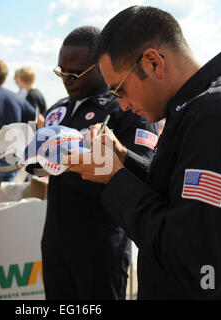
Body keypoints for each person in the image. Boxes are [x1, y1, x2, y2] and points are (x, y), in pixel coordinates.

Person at [65, 6, 221, 300]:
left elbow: (195, 264)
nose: (122, 105)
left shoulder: (219, 116)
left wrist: (114, 178)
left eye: (119, 90)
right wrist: (123, 159)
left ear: (154, 62)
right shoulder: (197, 107)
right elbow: (178, 201)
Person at [42, 26, 158, 299]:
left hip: (100, 244)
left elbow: (146, 170)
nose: (66, 80)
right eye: (61, 72)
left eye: (74, 73)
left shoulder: (126, 108)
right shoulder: (56, 110)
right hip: (56, 240)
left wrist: (95, 160)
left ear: (100, 67)